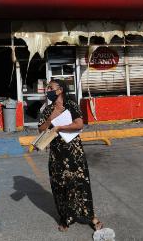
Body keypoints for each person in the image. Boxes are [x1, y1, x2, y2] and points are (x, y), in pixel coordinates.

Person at [38, 79, 103, 232]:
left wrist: (60, 127)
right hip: (56, 154)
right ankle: (65, 219)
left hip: (74, 152)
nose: (48, 90)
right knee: (60, 187)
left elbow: (79, 124)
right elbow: (41, 130)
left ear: (60, 90)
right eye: (47, 88)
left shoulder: (71, 105)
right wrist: (50, 119)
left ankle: (91, 217)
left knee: (81, 184)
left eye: (50, 87)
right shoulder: (47, 109)